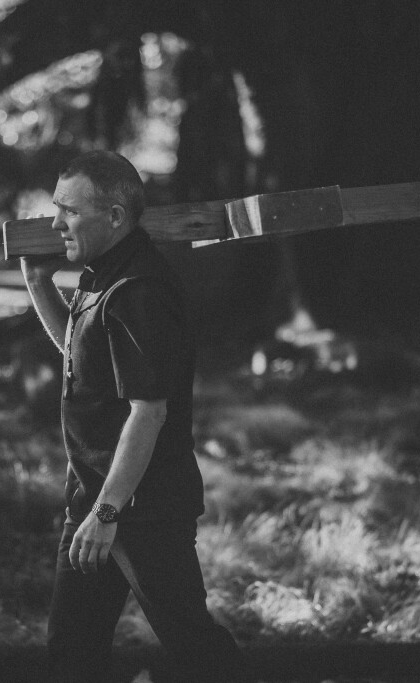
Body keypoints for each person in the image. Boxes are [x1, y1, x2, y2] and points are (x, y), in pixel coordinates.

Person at [20, 150, 250, 683]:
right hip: (96, 497)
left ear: (116, 216)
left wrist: (107, 514)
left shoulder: (138, 290)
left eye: (70, 211)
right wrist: (38, 284)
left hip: (142, 510)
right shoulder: (102, 274)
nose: (56, 224)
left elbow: (149, 412)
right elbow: (83, 360)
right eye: (56, 208)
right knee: (72, 650)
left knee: (193, 646)